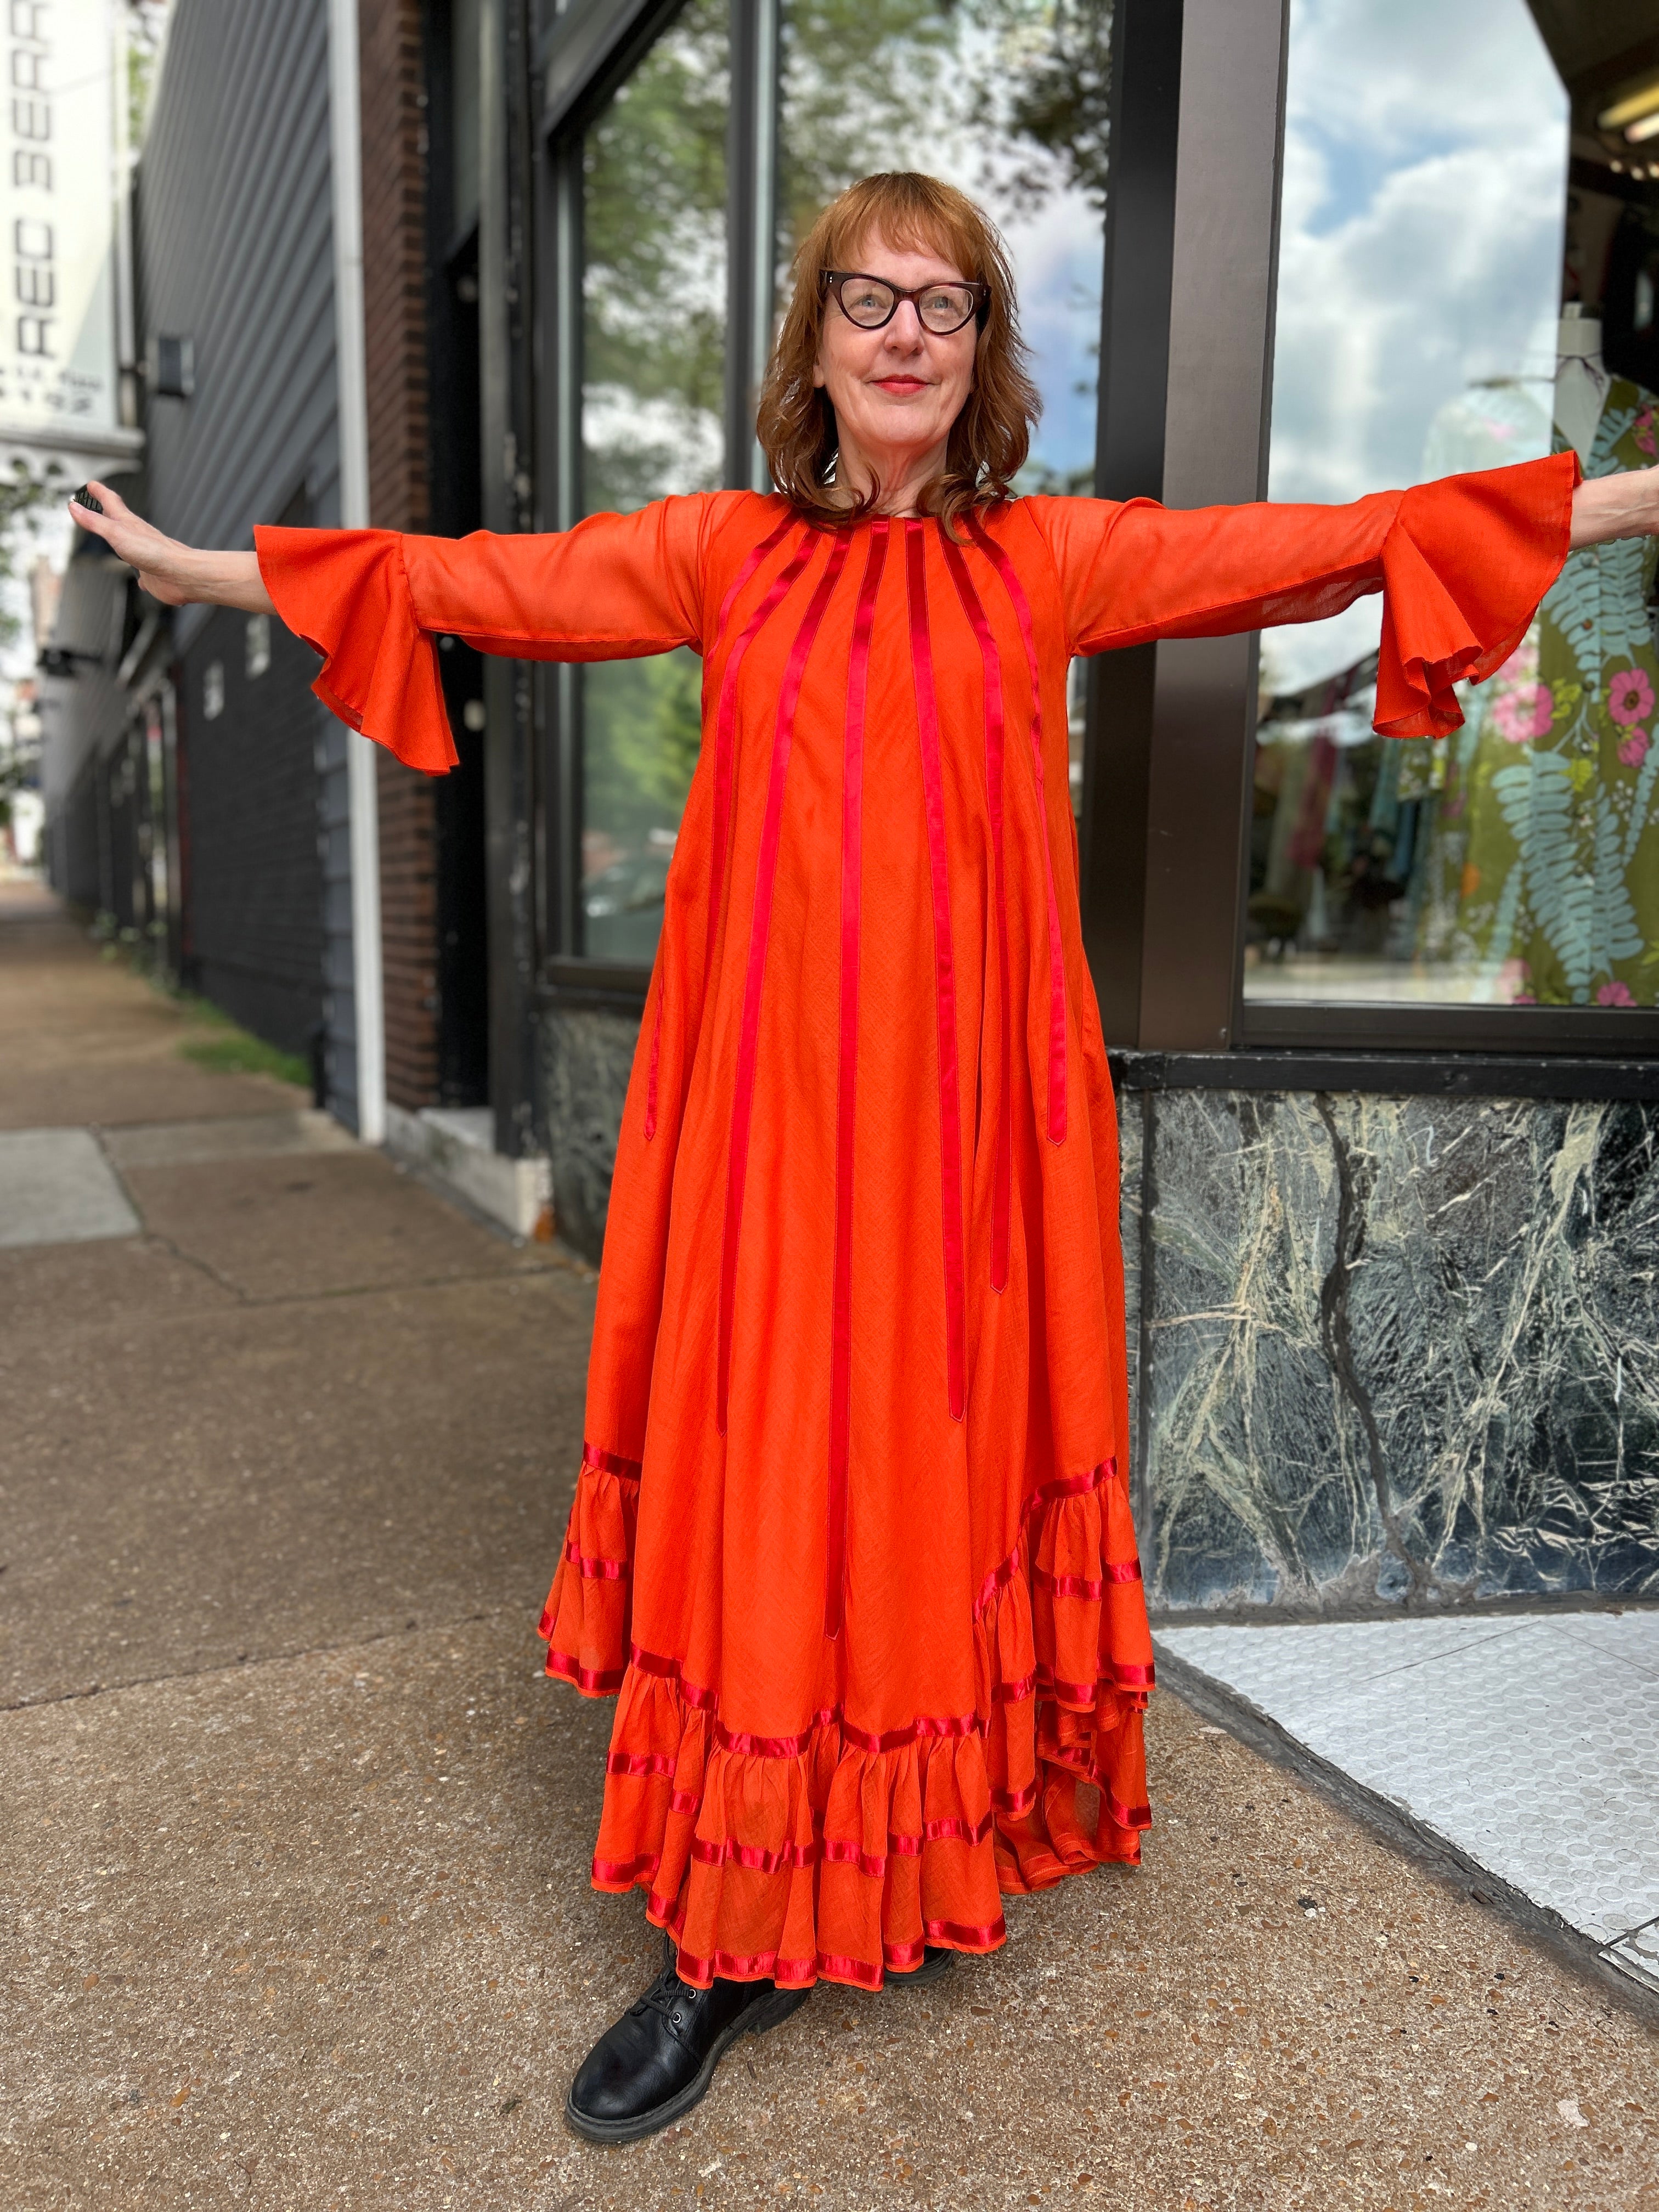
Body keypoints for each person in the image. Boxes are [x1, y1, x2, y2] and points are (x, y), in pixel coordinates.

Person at [72, 171, 1658, 2146]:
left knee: (934, 1481)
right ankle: (725, 1944)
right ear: (815, 340)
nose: (906, 335)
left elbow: (1329, 551)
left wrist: (1616, 503)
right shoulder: (722, 554)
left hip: (975, 1141)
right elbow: (474, 579)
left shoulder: (1049, 559)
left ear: (982, 352)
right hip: (766, 1136)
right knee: (767, 1497)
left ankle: (915, 1855)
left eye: (948, 306)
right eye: (869, 300)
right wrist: (209, 574)